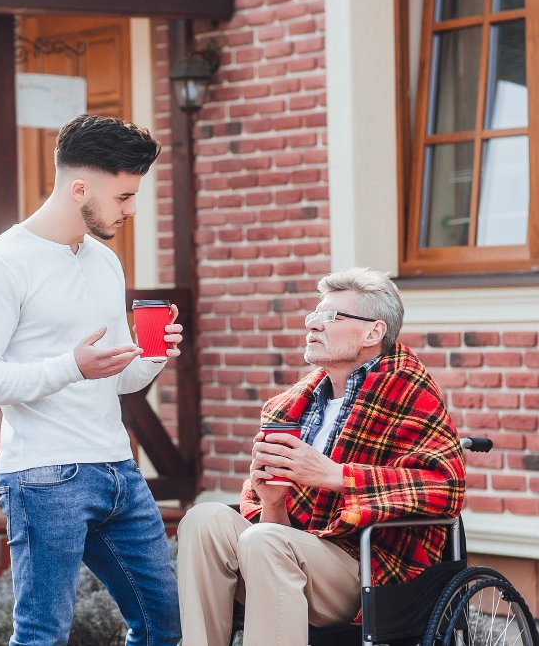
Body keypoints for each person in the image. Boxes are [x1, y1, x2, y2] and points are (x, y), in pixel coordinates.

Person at [0, 114, 183, 646]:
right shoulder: (1, 265)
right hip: (43, 477)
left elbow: (113, 380)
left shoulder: (105, 261)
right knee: (42, 635)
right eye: (123, 197)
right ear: (79, 187)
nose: (131, 210)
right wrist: (70, 366)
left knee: (162, 625)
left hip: (118, 472)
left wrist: (150, 359)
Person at [176, 267, 465, 646]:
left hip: (369, 568)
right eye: (315, 314)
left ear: (373, 332)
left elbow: (445, 486)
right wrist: (272, 502)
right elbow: (277, 528)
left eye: (333, 317)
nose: (314, 325)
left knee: (266, 541)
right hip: (290, 550)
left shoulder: (408, 393)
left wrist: (338, 476)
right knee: (204, 519)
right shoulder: (287, 408)